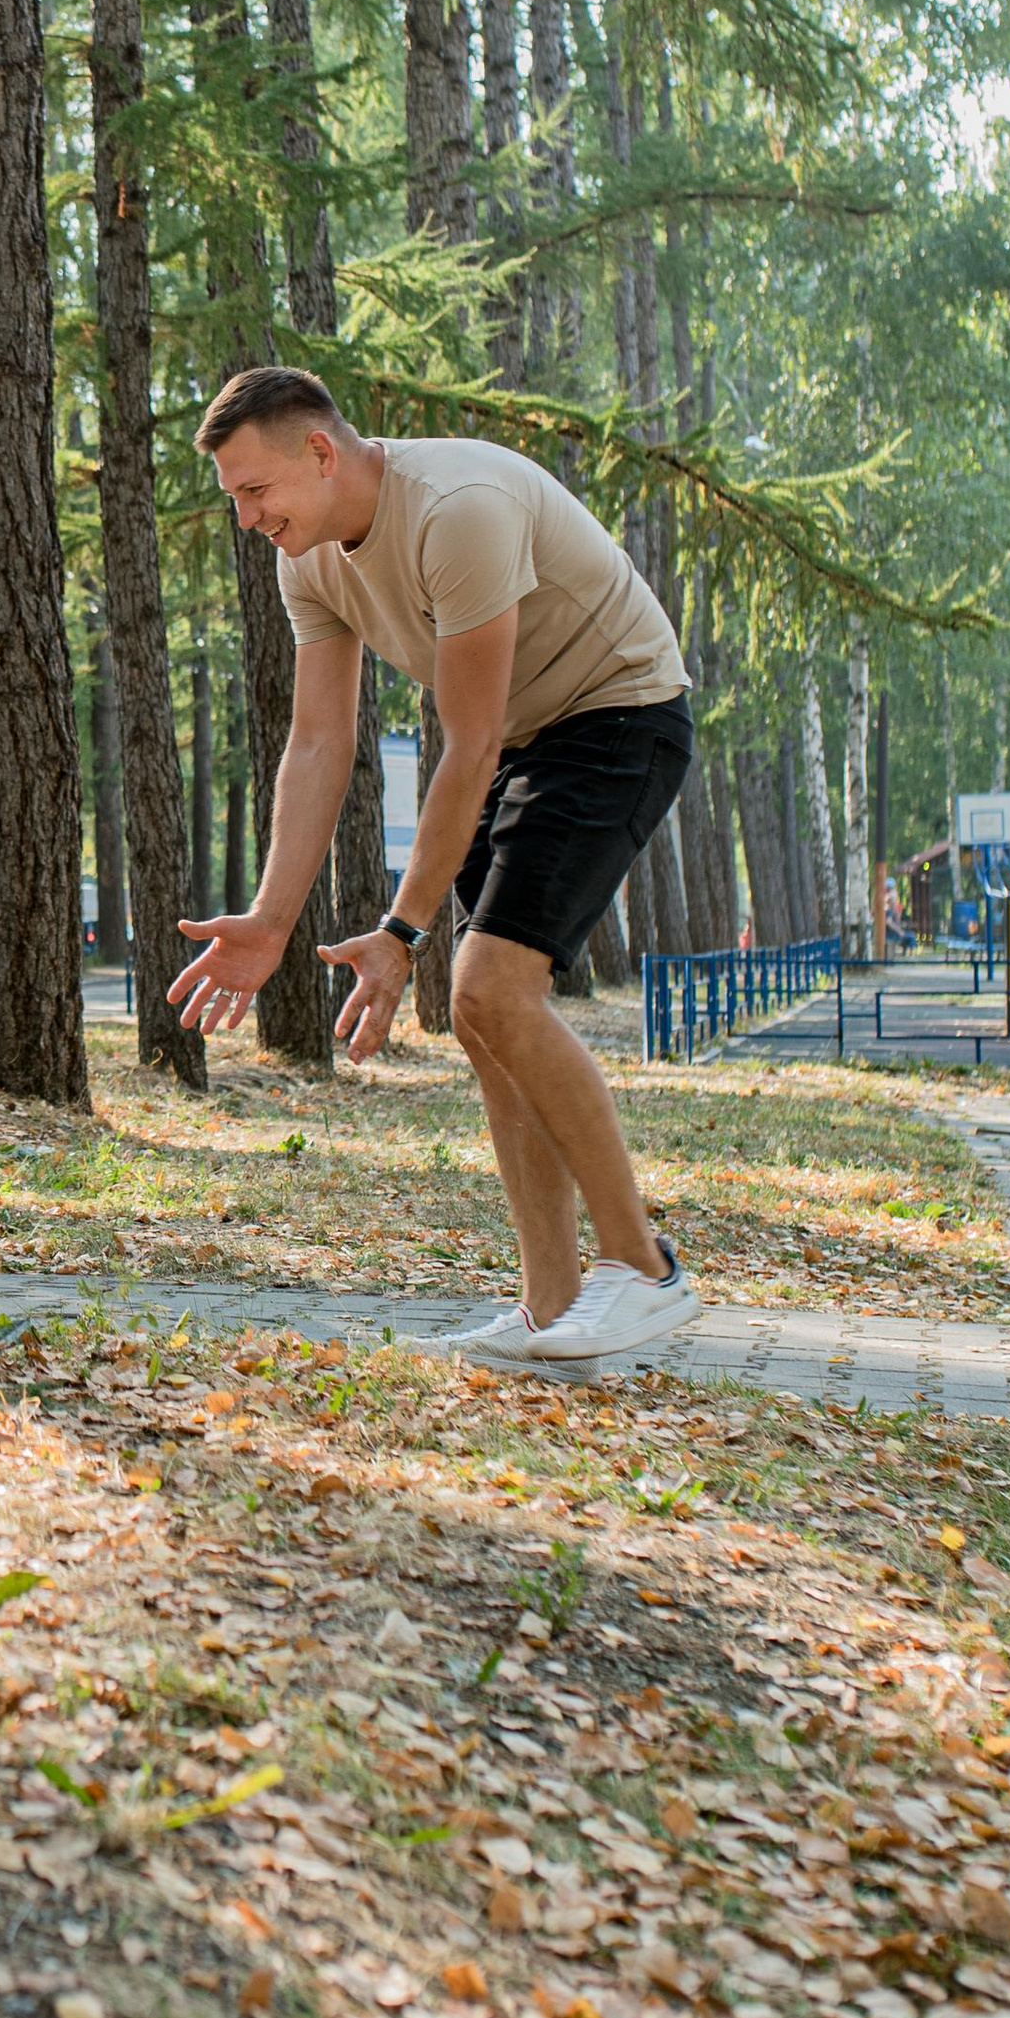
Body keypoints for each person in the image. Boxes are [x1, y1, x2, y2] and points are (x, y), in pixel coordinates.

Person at [169, 366, 699, 1365]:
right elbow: (318, 744)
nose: (246, 518)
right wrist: (273, 919)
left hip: (619, 715)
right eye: (233, 498)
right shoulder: (309, 557)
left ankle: (645, 1270)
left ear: (321, 454)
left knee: (490, 989)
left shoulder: (456, 509)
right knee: (488, 1015)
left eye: (254, 491)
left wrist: (402, 933)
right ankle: (549, 1307)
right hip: (524, 744)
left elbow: (467, 739)